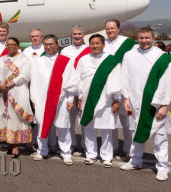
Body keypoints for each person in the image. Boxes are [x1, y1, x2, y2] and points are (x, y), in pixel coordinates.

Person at [120, 27, 170, 181]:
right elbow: (125, 77)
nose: (144, 41)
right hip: (134, 102)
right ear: (137, 38)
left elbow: (168, 82)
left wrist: (165, 104)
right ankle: (135, 161)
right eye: (141, 38)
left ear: (153, 38)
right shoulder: (129, 55)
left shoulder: (162, 57)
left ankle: (162, 167)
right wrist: (126, 98)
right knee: (136, 133)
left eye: (147, 38)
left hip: (155, 104)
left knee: (159, 137)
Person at [30, 34, 78, 165]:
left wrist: (70, 99)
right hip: (42, 99)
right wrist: (33, 99)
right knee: (42, 125)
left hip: (61, 100)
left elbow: (72, 81)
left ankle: (66, 153)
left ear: (57, 45)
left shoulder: (65, 60)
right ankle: (42, 150)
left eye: (51, 44)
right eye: (46, 44)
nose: (48, 47)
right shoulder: (38, 61)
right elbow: (34, 81)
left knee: (63, 127)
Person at [77, 34, 121, 167]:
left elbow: (116, 80)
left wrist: (116, 99)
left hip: (106, 99)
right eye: (92, 43)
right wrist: (78, 97)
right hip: (87, 98)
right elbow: (78, 79)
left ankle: (107, 156)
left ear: (103, 44)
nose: (94, 46)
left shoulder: (111, 60)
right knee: (89, 127)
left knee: (106, 129)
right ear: (89, 45)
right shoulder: (83, 60)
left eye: (97, 43)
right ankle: (91, 154)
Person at [0, 37, 33, 158]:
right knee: (6, 117)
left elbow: (25, 75)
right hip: (3, 93)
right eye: (8, 44)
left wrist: (9, 84)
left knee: (16, 118)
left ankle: (16, 146)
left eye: (13, 44)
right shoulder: (3, 58)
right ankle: (9, 143)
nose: (10, 46)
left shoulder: (24, 59)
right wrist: (0, 83)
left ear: (17, 45)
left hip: (17, 92)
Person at [104, 19, 137, 160]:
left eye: (112, 28)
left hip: (125, 88)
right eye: (107, 28)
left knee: (127, 122)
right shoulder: (102, 43)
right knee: (110, 121)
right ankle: (113, 148)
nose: (110, 31)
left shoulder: (129, 44)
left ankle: (129, 149)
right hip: (108, 88)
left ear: (118, 29)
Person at [60, 25, 91, 153]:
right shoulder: (65, 51)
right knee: (69, 120)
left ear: (83, 35)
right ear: (71, 35)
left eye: (79, 34)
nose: (77, 36)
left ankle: (86, 145)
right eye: (74, 34)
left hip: (85, 89)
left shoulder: (89, 50)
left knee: (85, 120)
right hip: (70, 90)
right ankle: (71, 143)